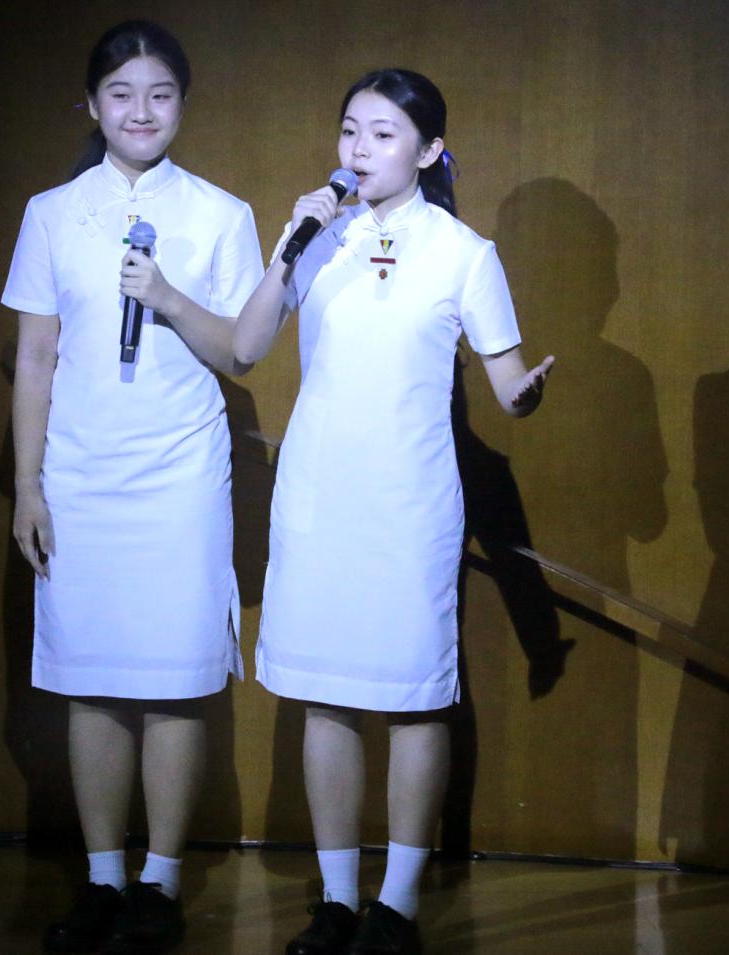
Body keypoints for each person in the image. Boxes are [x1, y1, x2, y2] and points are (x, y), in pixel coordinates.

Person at [233, 68, 553, 955]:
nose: (359, 149)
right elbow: (247, 346)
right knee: (326, 698)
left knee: (414, 699)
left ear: (429, 150)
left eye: (382, 134)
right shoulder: (316, 236)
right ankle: (338, 898)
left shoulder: (463, 252)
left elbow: (507, 381)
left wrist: (526, 394)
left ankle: (399, 901)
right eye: (350, 131)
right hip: (320, 495)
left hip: (410, 502)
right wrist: (292, 244)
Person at [1, 20, 263, 955]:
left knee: (174, 683)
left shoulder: (222, 213)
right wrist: (29, 484)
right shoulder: (51, 212)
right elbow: (36, 356)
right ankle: (104, 877)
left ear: (182, 104)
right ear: (91, 104)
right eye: (121, 93)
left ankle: (160, 880)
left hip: (180, 474)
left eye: (159, 94)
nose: (140, 111)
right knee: (93, 683)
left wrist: (167, 296)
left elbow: (240, 350)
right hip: (82, 473)